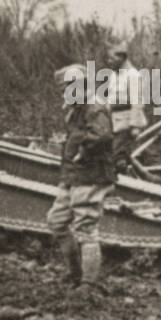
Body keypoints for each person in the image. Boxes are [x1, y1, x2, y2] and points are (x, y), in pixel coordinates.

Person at [46, 63, 115, 286]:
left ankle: (88, 284)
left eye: (67, 86)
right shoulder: (77, 109)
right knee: (56, 221)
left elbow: (102, 137)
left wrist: (82, 151)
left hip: (90, 175)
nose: (64, 92)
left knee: (86, 229)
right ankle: (74, 274)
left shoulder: (95, 106)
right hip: (74, 176)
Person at [104, 39, 148, 170]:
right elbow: (111, 98)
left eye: (111, 58)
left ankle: (122, 180)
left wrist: (134, 126)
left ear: (121, 57)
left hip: (126, 122)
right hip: (114, 121)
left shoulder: (132, 75)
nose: (109, 61)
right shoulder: (114, 75)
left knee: (119, 155)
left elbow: (137, 101)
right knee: (113, 152)